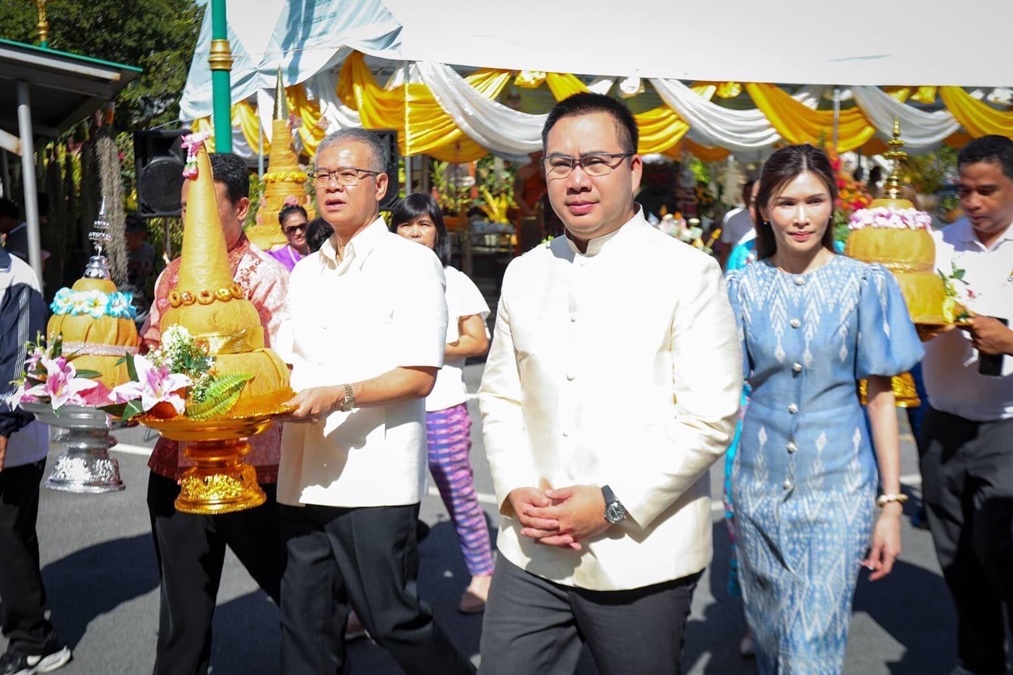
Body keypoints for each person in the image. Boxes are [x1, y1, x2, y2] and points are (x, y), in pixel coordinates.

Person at [477, 92, 742, 675]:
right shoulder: (525, 273)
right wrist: (515, 489)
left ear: (634, 169)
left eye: (596, 161)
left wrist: (613, 503)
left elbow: (710, 418)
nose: (578, 179)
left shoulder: (687, 273)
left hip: (641, 554)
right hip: (533, 548)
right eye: (560, 163)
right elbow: (499, 395)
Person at [276, 128, 474, 675]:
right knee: (306, 618)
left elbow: (418, 375)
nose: (332, 187)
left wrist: (339, 395)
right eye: (323, 176)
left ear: (380, 185)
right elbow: (285, 360)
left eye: (348, 175)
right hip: (304, 470)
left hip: (374, 473)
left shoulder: (410, 263)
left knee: (390, 618)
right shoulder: (307, 271)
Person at [725, 144, 923, 673]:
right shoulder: (740, 288)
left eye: (815, 201)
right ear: (763, 209)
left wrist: (892, 504)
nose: (801, 216)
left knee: (810, 647)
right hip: (756, 489)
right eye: (786, 203)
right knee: (771, 640)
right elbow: (719, 389)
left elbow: (882, 399)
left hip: (839, 490)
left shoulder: (866, 284)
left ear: (833, 205)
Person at [140, 152, 289, 675]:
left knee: (292, 589)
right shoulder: (170, 278)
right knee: (183, 613)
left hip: (253, 467)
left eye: (201, 205)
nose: (190, 220)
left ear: (242, 208)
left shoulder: (264, 278)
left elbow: (277, 367)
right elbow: (152, 356)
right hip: (177, 465)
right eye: (184, 209)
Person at [919, 134, 1013, 675]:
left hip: (1006, 428)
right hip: (942, 424)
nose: (973, 202)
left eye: (987, 191)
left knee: (1001, 549)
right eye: (965, 191)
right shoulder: (939, 244)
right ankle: (978, 661)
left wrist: (1009, 341)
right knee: (956, 554)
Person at [390, 193, 495, 614]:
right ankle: (384, 599)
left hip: (443, 406)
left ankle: (483, 572)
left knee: (457, 492)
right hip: (391, 406)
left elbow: (478, 340)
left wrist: (429, 347)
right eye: (406, 225)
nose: (414, 233)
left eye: (424, 225)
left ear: (437, 232)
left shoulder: (455, 280)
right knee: (391, 504)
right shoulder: (380, 279)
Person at [0, 245, 73, 675]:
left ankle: (35, 642)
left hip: (15, 440)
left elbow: (19, 363)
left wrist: (3, 426)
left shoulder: (16, 279)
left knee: (9, 539)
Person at [718, 179, 756, 269]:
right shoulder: (731, 217)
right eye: (748, 195)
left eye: (754, 195)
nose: (750, 199)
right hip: (737, 265)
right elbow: (726, 247)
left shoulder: (770, 217)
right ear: (743, 196)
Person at [266, 204, 311, 272]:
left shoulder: (320, 252)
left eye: (302, 226)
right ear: (283, 230)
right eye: (291, 229)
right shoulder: (276, 259)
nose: (298, 232)